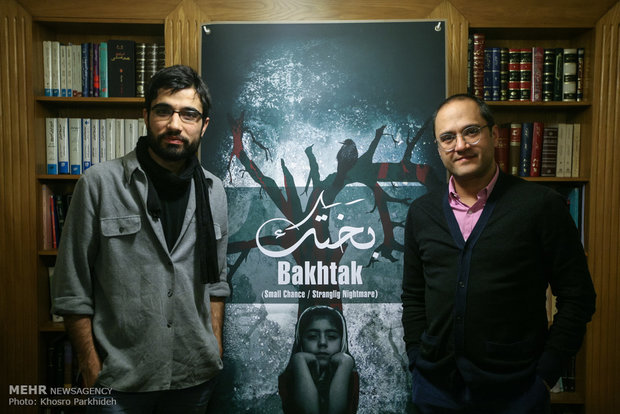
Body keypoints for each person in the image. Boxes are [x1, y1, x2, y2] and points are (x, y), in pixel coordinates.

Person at [401, 94, 596, 414]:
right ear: (438, 148)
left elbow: (578, 297)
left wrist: (546, 374)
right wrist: (416, 359)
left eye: (471, 131)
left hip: (517, 393)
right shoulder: (422, 213)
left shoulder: (541, 206)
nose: (460, 145)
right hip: (435, 391)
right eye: (447, 138)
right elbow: (413, 296)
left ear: (493, 134)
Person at [51, 64, 229, 412]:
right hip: (119, 382)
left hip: (194, 378)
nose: (175, 124)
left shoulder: (214, 190)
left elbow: (217, 283)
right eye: (164, 111)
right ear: (146, 115)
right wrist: (90, 367)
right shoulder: (99, 184)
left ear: (204, 125)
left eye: (189, 114)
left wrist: (215, 345)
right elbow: (72, 288)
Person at [278, 305, 359, 414]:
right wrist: (299, 360)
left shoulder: (351, 375)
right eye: (312, 336)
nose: (322, 343)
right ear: (300, 341)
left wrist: (346, 362)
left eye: (331, 337)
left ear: (342, 342)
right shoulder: (286, 378)